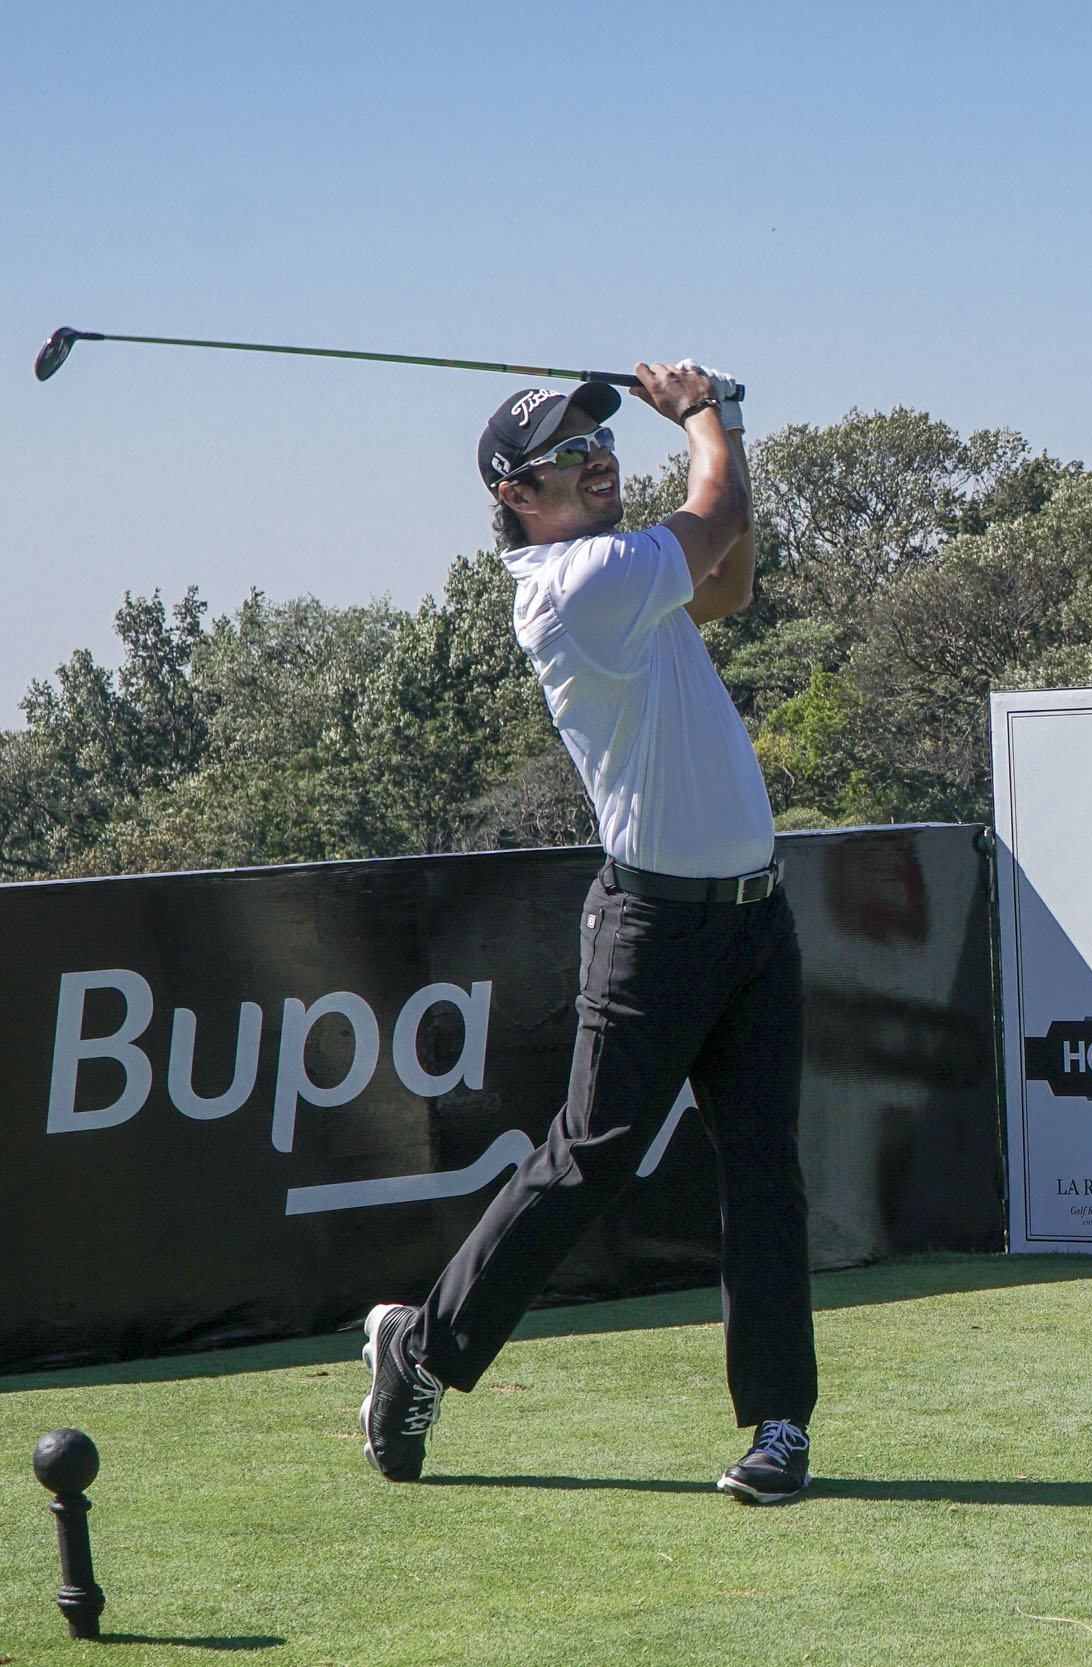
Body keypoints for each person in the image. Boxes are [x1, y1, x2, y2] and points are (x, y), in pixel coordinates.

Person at [358, 361, 819, 1503]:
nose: (596, 457)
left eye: (598, 440)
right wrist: (709, 415)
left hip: (754, 918)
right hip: (656, 922)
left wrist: (730, 429)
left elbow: (728, 576)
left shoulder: (627, 576)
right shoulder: (575, 582)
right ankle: (421, 1348)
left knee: (765, 1173)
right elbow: (712, 516)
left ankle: (777, 1423)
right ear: (517, 495)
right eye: (566, 453)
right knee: (589, 1156)